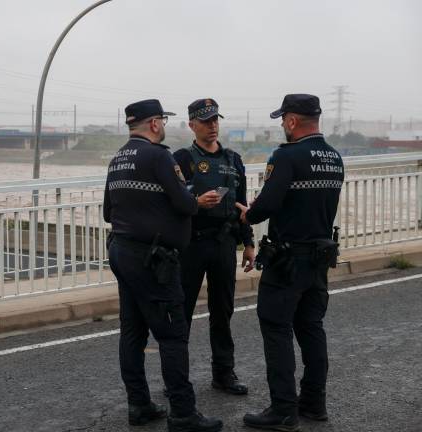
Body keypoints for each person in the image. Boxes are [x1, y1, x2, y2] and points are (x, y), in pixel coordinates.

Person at [103, 99, 223, 432]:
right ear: (155, 124)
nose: (164, 126)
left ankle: (138, 405)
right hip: (152, 260)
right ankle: (184, 414)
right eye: (162, 121)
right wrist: (194, 201)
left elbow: (107, 213)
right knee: (172, 335)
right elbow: (185, 203)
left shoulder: (117, 160)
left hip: (123, 252)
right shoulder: (159, 156)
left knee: (132, 331)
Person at [236, 94, 344, 431]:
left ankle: (283, 410)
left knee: (276, 328)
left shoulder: (287, 156)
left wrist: (248, 213)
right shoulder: (334, 157)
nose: (283, 125)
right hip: (320, 257)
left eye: (284, 119)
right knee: (311, 329)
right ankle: (313, 403)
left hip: (287, 260)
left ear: (293, 121)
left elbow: (266, 205)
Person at [172, 98, 254, 396]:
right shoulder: (182, 158)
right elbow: (172, 204)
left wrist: (248, 242)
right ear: (192, 125)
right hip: (191, 246)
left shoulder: (234, 160)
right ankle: (177, 380)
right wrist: (196, 203)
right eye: (206, 121)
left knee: (223, 312)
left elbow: (242, 205)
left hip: (223, 243)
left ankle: (224, 373)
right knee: (181, 313)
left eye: (215, 120)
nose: (212, 126)